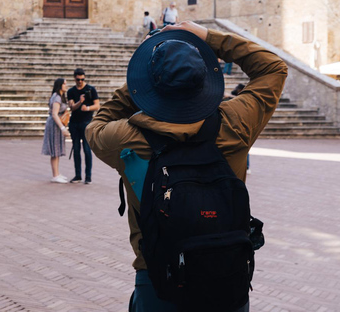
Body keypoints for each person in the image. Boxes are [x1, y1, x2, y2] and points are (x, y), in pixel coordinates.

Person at [86, 21, 287, 311]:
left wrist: (137, 85)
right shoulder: (235, 122)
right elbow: (273, 68)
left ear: (151, 86)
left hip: (158, 281)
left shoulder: (126, 137)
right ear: (204, 80)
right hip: (227, 279)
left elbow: (96, 125)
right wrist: (208, 36)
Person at [66, 68, 100, 184]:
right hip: (74, 123)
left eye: (82, 79)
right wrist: (80, 102)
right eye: (78, 79)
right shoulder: (71, 91)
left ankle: (88, 176)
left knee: (86, 149)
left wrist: (88, 108)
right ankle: (78, 175)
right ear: (74, 78)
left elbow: (97, 106)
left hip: (86, 123)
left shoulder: (91, 89)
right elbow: (71, 107)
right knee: (76, 149)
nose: (80, 81)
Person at [42, 78, 69, 183]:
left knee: (56, 150)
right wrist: (62, 128)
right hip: (55, 125)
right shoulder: (57, 97)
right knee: (55, 150)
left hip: (56, 125)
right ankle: (55, 175)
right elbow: (54, 114)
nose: (66, 86)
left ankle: (57, 173)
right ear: (60, 85)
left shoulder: (59, 96)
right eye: (64, 84)